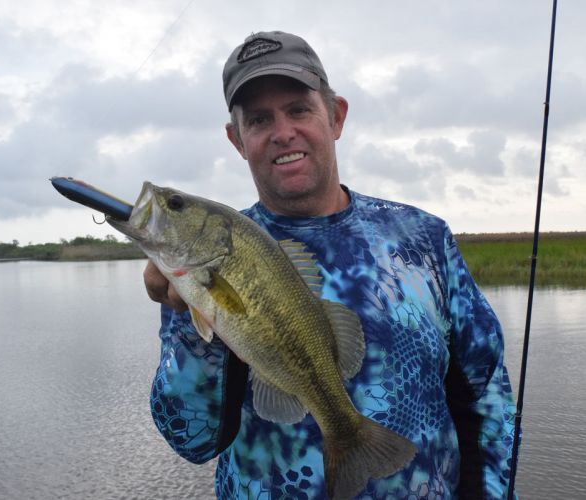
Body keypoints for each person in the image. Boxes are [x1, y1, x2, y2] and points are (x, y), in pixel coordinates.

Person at [144, 30, 518, 499]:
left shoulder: (424, 239)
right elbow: (190, 438)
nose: (283, 132)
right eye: (259, 120)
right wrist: (190, 325)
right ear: (237, 139)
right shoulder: (201, 263)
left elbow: (486, 395)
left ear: (336, 116)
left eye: (299, 110)